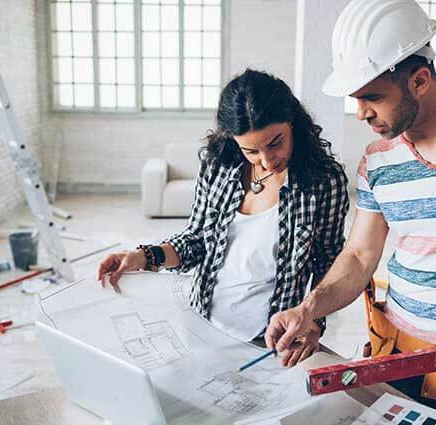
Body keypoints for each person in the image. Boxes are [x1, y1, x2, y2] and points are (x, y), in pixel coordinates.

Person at [264, 0, 436, 423]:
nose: (361, 112)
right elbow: (358, 257)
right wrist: (308, 308)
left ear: (420, 80)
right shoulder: (378, 159)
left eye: (373, 97)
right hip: (397, 362)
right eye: (356, 98)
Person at [98, 69, 349, 367]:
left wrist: (313, 322)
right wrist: (141, 256)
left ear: (291, 121)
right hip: (201, 322)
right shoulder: (219, 167)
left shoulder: (323, 180)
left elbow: (329, 262)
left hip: (269, 340)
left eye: (275, 143)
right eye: (251, 151)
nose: (267, 160)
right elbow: (196, 241)